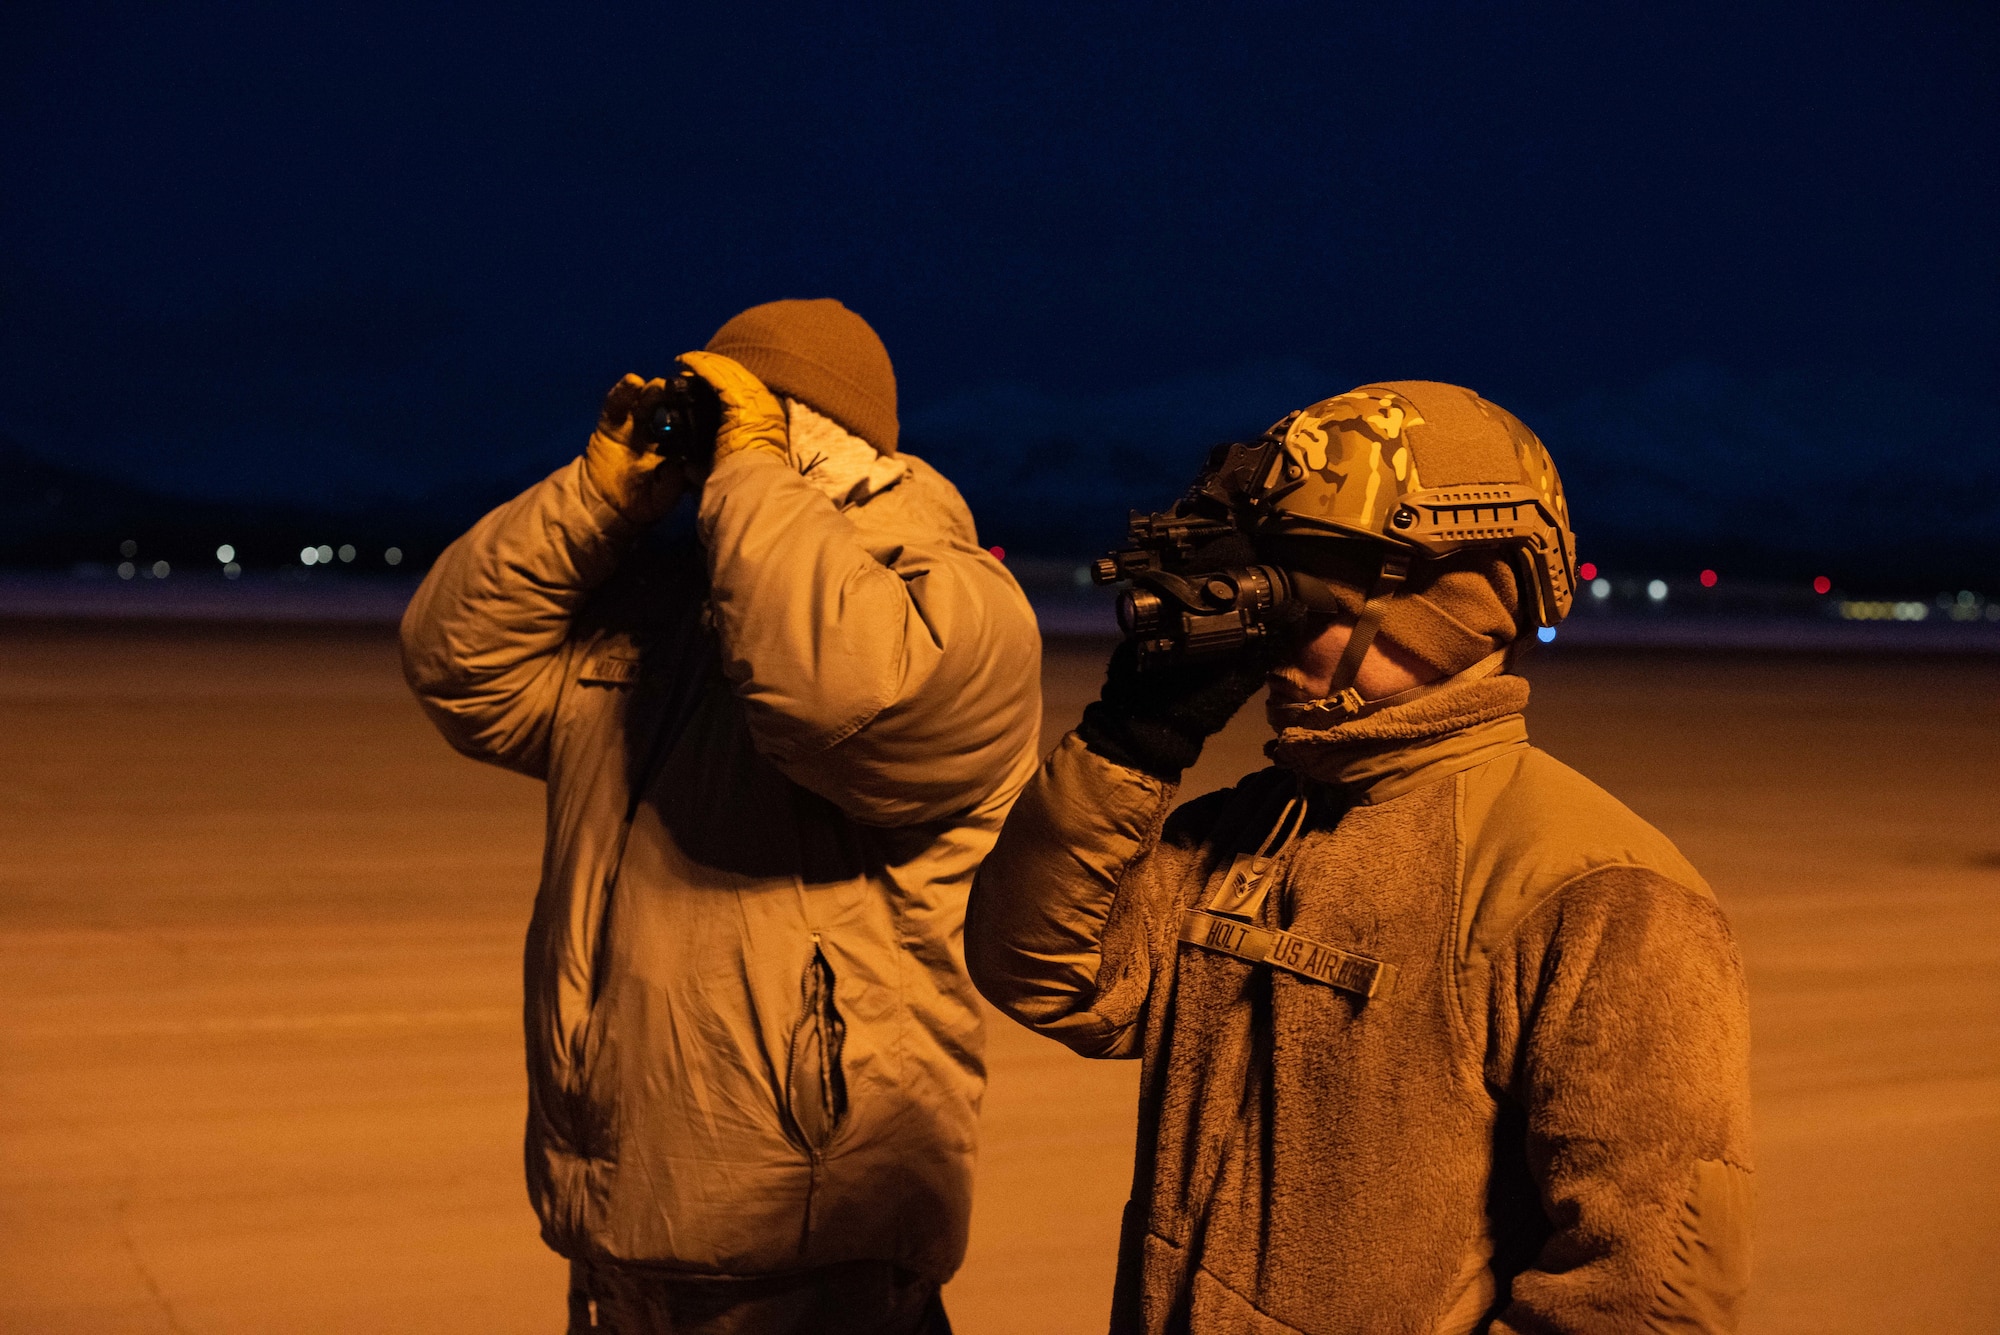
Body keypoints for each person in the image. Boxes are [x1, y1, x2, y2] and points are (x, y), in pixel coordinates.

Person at [966, 382, 1753, 1333]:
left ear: (1453, 602)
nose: (1272, 625)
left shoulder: (1600, 893)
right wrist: (1133, 742)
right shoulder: (1253, 828)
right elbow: (1047, 973)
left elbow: (1643, 1304)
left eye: (1309, 580)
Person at [402, 298, 1043, 1334]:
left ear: (812, 437)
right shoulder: (669, 619)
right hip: (620, 1196)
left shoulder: (948, 600)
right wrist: (597, 496)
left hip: (802, 1217)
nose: (709, 456)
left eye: (740, 420)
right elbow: (458, 669)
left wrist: (754, 471)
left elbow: (838, 699)